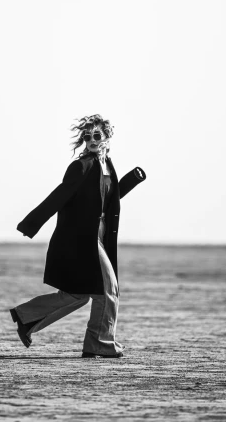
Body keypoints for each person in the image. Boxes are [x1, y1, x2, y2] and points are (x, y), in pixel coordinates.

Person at [11, 114, 146, 358]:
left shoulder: (107, 164)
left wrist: (131, 180)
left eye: (97, 135)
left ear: (106, 137)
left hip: (99, 236)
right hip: (81, 239)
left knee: (79, 295)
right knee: (109, 289)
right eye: (87, 136)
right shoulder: (81, 166)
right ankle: (99, 342)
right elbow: (58, 196)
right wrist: (31, 224)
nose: (92, 140)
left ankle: (27, 317)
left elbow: (108, 200)